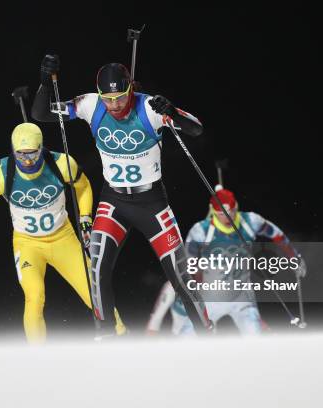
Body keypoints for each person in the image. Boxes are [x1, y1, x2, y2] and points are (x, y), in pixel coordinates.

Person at [32, 55, 212, 337]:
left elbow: (196, 128)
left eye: (120, 97)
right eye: (108, 99)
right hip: (114, 201)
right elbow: (41, 115)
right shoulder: (90, 105)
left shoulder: (149, 107)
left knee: (179, 274)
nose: (114, 105)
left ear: (130, 89)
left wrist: (172, 112)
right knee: (98, 264)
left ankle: (206, 332)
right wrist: (45, 81)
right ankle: (105, 334)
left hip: (151, 203)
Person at [0, 122, 125, 343]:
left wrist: (86, 218)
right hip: (27, 244)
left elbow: (84, 187)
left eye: (32, 154)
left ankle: (121, 335)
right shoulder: (1, 175)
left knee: (94, 291)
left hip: (64, 239)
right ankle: (38, 356)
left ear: (41, 148)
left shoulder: (62, 164)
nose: (27, 161)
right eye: (20, 155)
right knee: (34, 296)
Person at [146, 185, 307, 336]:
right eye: (222, 213)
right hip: (212, 297)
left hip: (242, 298)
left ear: (236, 206)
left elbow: (276, 234)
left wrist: (295, 258)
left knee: (256, 339)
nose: (227, 217)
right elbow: (189, 265)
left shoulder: (250, 221)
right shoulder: (201, 231)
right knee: (187, 338)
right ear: (214, 212)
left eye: (231, 211)